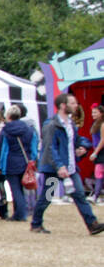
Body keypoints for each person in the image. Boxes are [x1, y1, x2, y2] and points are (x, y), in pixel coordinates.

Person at [31, 92, 104, 236]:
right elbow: (50, 148)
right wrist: (59, 166)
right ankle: (36, 223)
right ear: (62, 106)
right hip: (54, 169)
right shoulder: (51, 125)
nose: (76, 105)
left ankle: (92, 224)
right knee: (47, 196)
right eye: (72, 103)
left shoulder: (70, 123)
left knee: (80, 195)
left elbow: (76, 140)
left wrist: (84, 146)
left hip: (70, 168)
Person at [0, 104, 37, 222]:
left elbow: (0, 149)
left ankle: (21, 213)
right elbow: (33, 146)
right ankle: (20, 212)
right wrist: (33, 159)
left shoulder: (6, 130)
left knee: (15, 189)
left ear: (8, 116)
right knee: (22, 189)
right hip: (25, 162)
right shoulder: (28, 129)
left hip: (10, 162)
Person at [89, 103, 103, 203]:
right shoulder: (95, 124)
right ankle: (96, 195)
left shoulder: (102, 124)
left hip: (101, 151)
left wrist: (95, 152)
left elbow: (103, 140)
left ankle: (96, 195)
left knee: (99, 172)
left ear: (101, 113)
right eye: (92, 112)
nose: (93, 114)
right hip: (98, 151)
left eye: (95, 112)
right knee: (98, 173)